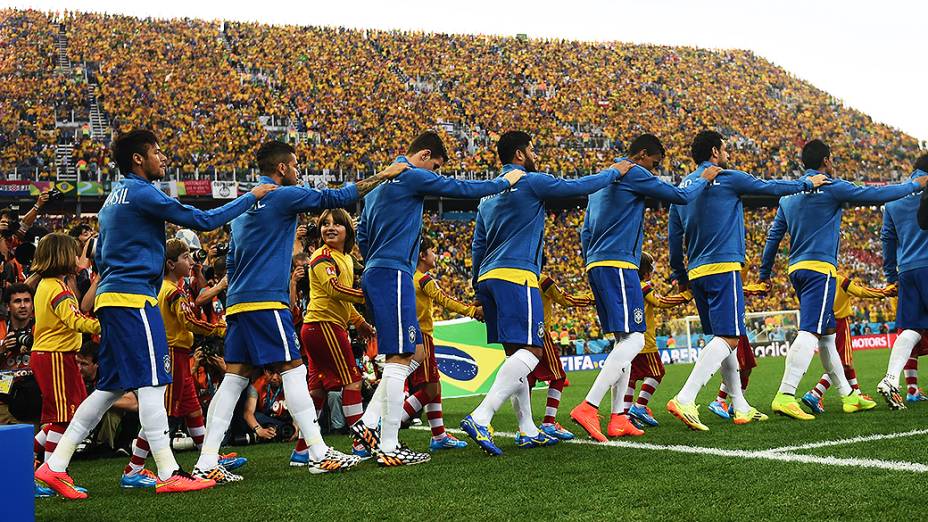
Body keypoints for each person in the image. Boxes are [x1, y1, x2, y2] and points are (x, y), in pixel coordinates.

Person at [36, 129, 276, 500]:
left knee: (109, 387)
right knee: (153, 384)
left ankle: (55, 465)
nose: (163, 158)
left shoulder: (113, 198)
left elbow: (100, 255)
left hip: (113, 299)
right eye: (158, 151)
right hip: (134, 300)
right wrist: (251, 196)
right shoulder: (144, 192)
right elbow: (202, 220)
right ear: (138, 159)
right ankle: (167, 471)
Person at [193, 140, 404, 478]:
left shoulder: (246, 205)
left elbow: (231, 259)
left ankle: (206, 463)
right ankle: (318, 453)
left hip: (239, 304)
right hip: (266, 302)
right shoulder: (281, 195)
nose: (298, 171)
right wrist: (385, 174)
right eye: (294, 165)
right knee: (294, 370)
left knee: (233, 379)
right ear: (282, 168)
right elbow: (336, 198)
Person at [353, 131, 524, 466]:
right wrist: (505, 183)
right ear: (425, 155)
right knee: (400, 358)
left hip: (378, 270)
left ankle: (368, 423)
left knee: (413, 351)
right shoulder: (411, 176)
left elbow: (361, 236)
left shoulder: (377, 189)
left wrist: (377, 260)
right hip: (394, 272)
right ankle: (388, 446)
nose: (435, 174)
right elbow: (460, 189)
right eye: (436, 166)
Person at [460, 130, 628, 456]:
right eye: (533, 149)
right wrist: (613, 173)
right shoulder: (531, 181)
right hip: (517, 275)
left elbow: (478, 244)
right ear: (521, 154)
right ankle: (482, 415)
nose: (536, 155)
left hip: (489, 277)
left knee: (516, 356)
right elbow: (577, 187)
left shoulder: (488, 197)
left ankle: (527, 429)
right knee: (533, 353)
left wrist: (478, 287)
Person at [666, 130, 828, 432]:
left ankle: (739, 405)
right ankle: (685, 398)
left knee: (725, 338)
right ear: (715, 151)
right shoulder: (727, 177)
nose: (727, 153)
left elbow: (674, 237)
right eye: (724, 149)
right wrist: (806, 183)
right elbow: (769, 187)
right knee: (728, 337)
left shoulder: (682, 188)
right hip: (723, 265)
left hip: (696, 272)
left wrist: (679, 275)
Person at [570, 133, 719, 442]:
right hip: (619, 263)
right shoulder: (634, 171)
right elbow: (679, 196)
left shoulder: (601, 184)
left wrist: (592, 260)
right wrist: (702, 179)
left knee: (623, 341)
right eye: (654, 162)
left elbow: (585, 232)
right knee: (636, 340)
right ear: (641, 154)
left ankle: (618, 417)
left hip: (596, 263)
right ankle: (588, 405)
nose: (654, 169)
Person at [759, 140, 923, 419]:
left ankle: (848, 396)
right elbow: (872, 195)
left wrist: (764, 273)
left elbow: (774, 236)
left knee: (827, 336)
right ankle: (786, 394)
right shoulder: (831, 187)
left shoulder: (789, 196)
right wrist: (914, 185)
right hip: (820, 269)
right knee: (810, 331)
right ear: (826, 160)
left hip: (796, 270)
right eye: (832, 159)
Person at [120, 239, 238, 489]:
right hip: (172, 354)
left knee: (192, 409)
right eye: (186, 257)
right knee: (164, 414)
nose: (192, 260)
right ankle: (134, 468)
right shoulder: (172, 291)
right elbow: (188, 322)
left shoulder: (165, 287)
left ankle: (211, 458)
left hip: (178, 354)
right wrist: (218, 329)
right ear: (172, 264)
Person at [290, 208, 376, 466]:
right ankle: (361, 442)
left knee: (317, 391)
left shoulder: (344, 258)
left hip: (317, 326)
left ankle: (302, 450)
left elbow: (341, 300)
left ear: (348, 230)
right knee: (352, 381)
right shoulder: (322, 256)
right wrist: (366, 297)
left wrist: (360, 322)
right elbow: (333, 289)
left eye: (337, 224)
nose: (330, 227)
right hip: (325, 326)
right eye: (325, 223)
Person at [27, 234, 100, 497]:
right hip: (55, 355)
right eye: (74, 253)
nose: (78, 258)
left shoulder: (51, 284)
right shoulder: (56, 288)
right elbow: (75, 320)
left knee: (68, 416)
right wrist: (105, 325)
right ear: (61, 256)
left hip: (56, 355)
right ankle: (51, 474)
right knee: (63, 418)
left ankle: (30, 463)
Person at [399, 236, 479, 451]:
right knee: (430, 387)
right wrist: (472, 310)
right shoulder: (423, 279)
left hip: (411, 334)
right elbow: (444, 299)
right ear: (423, 255)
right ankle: (390, 424)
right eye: (432, 252)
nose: (435, 256)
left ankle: (439, 435)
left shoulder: (407, 276)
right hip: (421, 336)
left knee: (434, 385)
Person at [613, 252, 693, 433]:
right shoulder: (643, 287)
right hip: (645, 341)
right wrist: (687, 295)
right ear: (646, 271)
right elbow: (662, 302)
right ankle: (639, 406)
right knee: (657, 372)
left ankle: (626, 415)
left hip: (628, 338)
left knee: (631, 378)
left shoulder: (629, 286)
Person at [877, 153, 928, 409]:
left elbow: (887, 240)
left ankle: (890, 379)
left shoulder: (895, 199)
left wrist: (891, 277)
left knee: (911, 329)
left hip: (907, 270)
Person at [799, 273, 891, 413]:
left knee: (843, 361)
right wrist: (884, 292)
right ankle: (816, 394)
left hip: (823, 322)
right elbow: (860, 291)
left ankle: (857, 395)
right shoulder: (840, 279)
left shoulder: (816, 278)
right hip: (839, 322)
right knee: (842, 361)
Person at [529, 273, 593, 440]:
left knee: (526, 382)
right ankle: (549, 423)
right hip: (539, 333)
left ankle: (525, 427)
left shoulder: (515, 277)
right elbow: (566, 300)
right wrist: (592, 298)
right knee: (558, 377)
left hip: (519, 336)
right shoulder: (542, 280)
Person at [0, 283, 35, 424]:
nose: (23, 305)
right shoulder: (1, 329)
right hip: (3, 403)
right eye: (17, 301)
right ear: (8, 306)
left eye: (27, 301)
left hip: (31, 401)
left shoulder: (41, 330)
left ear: (32, 305)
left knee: (32, 446)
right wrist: (2, 350)